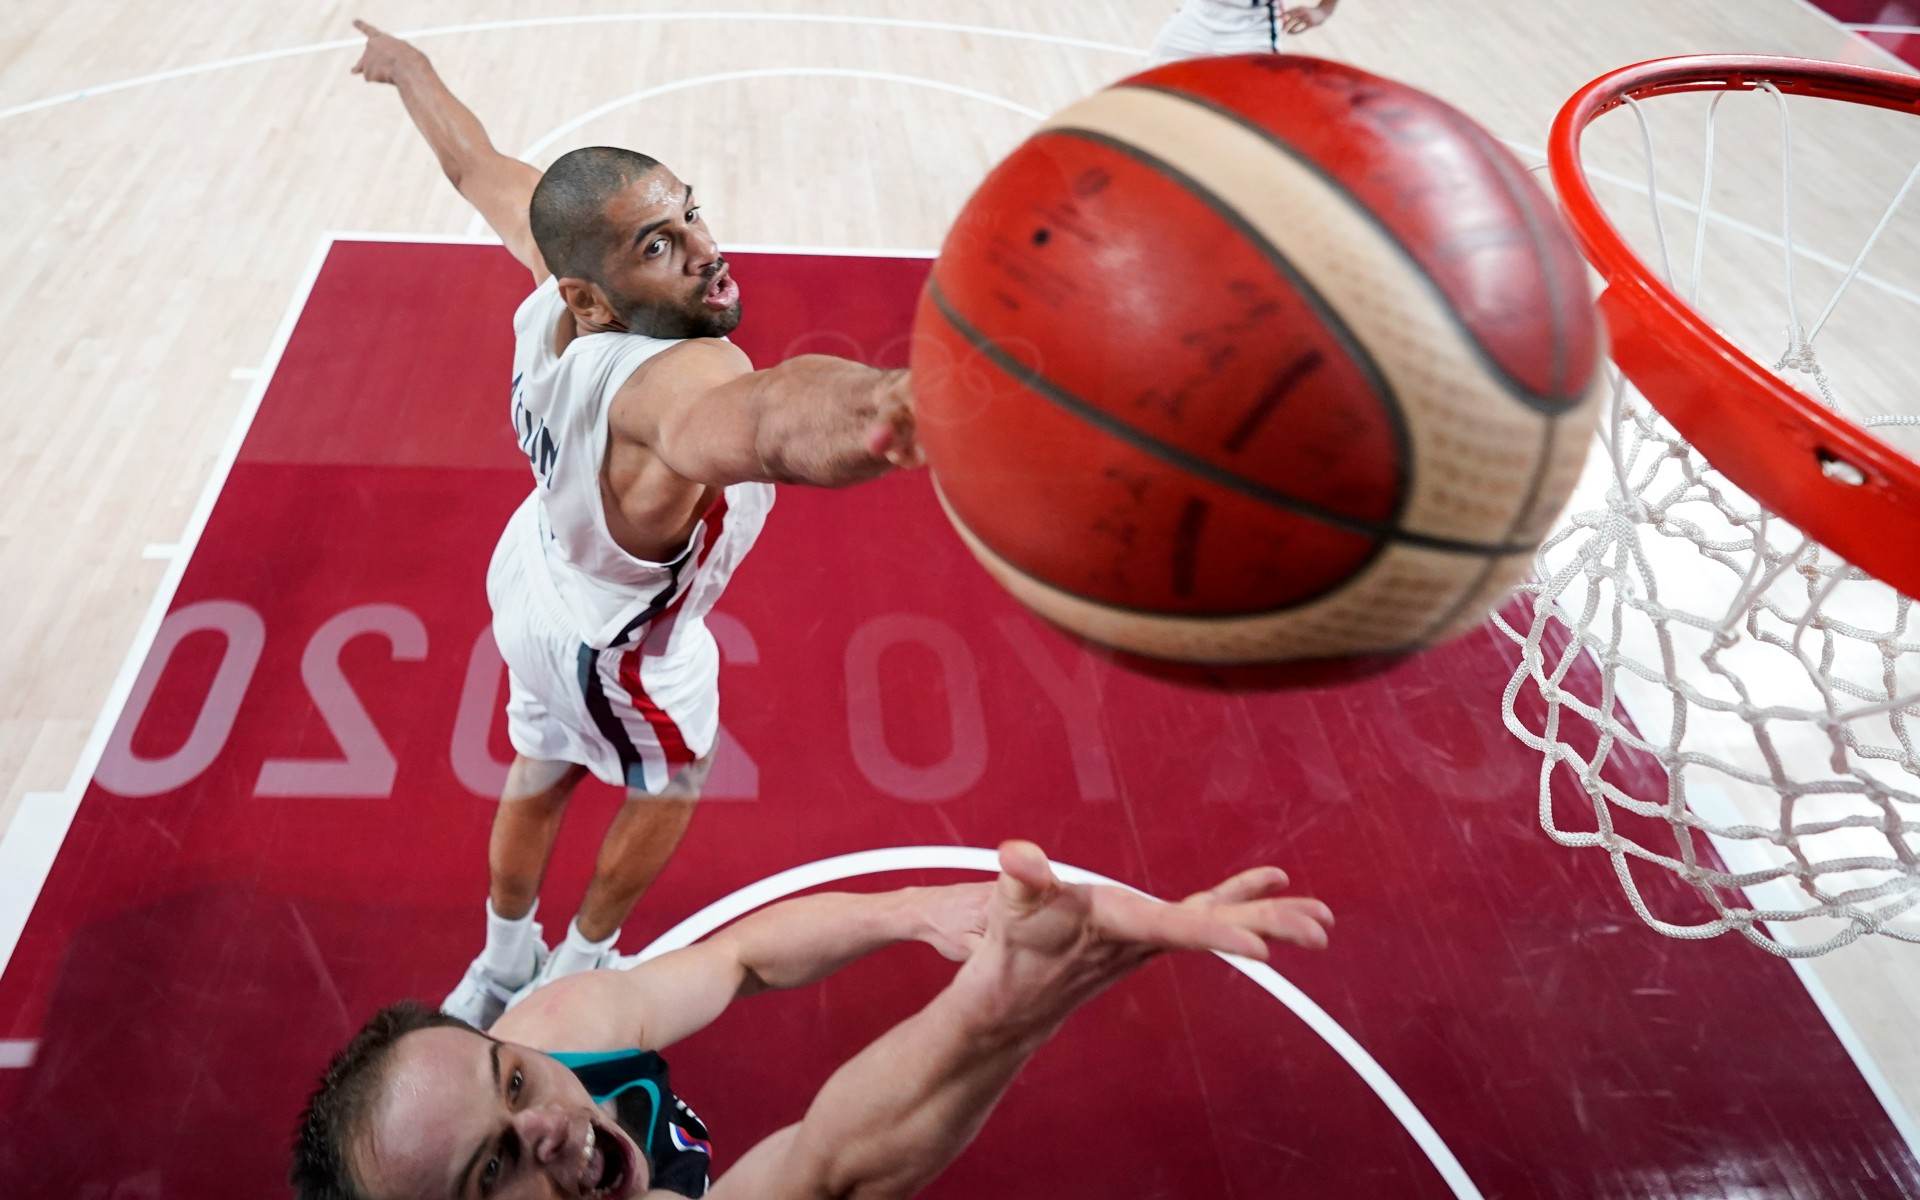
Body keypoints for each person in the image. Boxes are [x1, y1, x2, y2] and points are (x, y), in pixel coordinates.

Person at [349, 20, 924, 1029]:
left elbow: (471, 162)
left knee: (540, 765)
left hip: (530, 573)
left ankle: (499, 962)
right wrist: (893, 406)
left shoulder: (557, 278)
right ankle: (586, 957)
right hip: (615, 642)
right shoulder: (678, 383)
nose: (708, 250)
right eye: (661, 246)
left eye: (692, 213)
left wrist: (407, 67)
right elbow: (774, 419)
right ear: (596, 296)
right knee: (671, 778)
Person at [291, 841, 1334, 1199]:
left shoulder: (555, 1029)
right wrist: (1008, 1008)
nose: (545, 1124)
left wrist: (907, 911)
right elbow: (830, 1167)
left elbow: (739, 958)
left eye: (509, 1082)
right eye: (492, 1170)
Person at [1148, 0, 1343, 66]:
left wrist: (1324, 10)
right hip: (1195, 18)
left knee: (1245, 118)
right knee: (1148, 93)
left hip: (1252, 31)